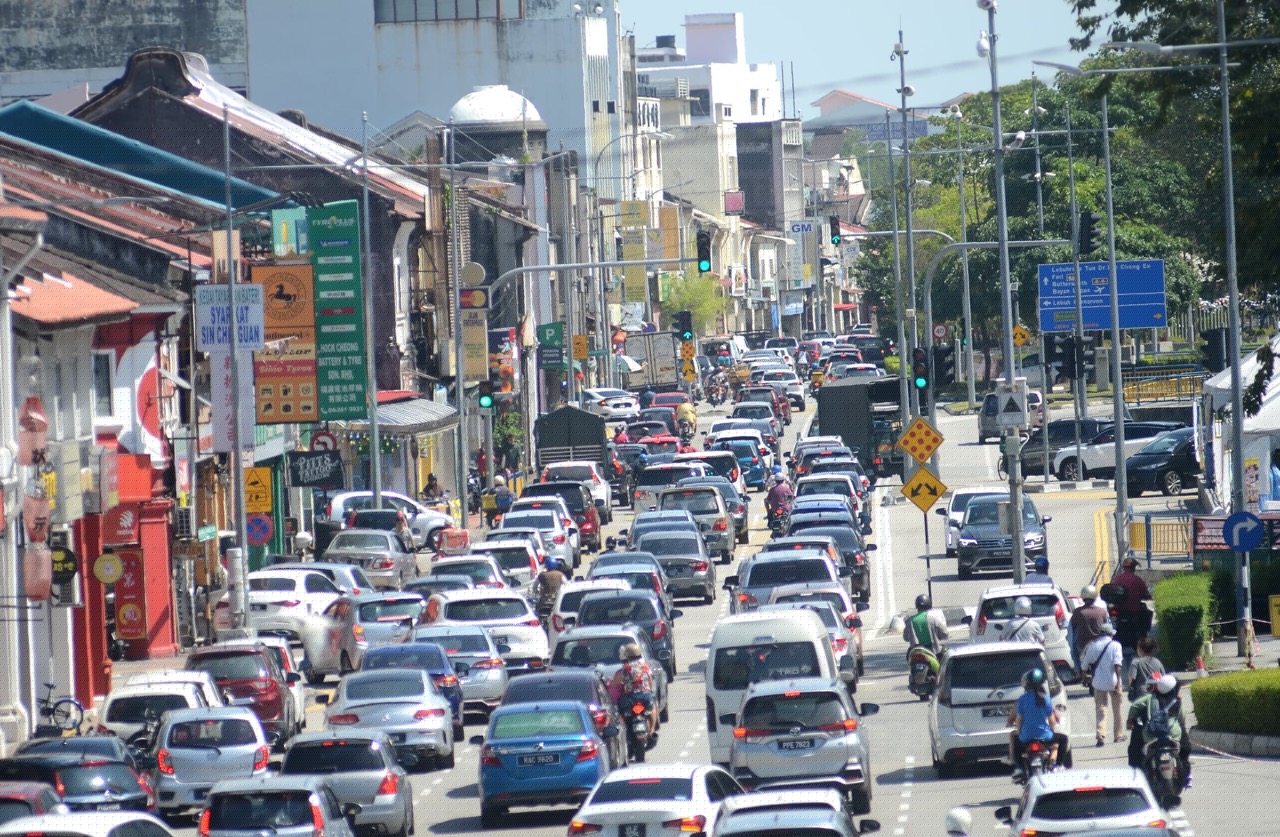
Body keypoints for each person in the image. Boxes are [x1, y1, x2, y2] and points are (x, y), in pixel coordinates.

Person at [1128, 674, 1192, 789]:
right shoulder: (1177, 701)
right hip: (1174, 735)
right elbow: (1181, 719)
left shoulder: (1149, 698)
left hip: (1151, 735)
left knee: (1137, 752)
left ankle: (1139, 776)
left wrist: (1130, 720)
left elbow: (1134, 706)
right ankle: (1187, 777)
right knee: (1185, 751)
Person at [1008, 668, 1059, 781]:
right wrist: (1052, 732)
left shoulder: (1022, 699)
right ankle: (1056, 765)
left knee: (1017, 747)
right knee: (1063, 740)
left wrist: (1019, 732)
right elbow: (1052, 721)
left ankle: (1020, 768)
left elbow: (1019, 720)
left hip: (1026, 736)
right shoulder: (1046, 699)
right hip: (1045, 736)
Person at [1081, 623, 1125, 746]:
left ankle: (1100, 734)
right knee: (1117, 710)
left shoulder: (1093, 646)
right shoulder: (1116, 645)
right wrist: (1118, 684)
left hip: (1098, 682)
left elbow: (1084, 665)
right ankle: (1118, 735)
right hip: (1114, 681)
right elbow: (1117, 665)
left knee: (1100, 710)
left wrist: (1085, 677)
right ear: (1111, 634)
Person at [610, 642, 659, 737]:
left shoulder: (626, 668)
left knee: (620, 710)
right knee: (652, 707)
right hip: (645, 696)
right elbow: (650, 681)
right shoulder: (645, 666)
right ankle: (652, 729)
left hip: (630, 698)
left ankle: (624, 732)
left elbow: (616, 682)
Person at [1109, 556, 1153, 651]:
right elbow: (1146, 594)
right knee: (1148, 614)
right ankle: (1143, 639)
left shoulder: (1117, 579)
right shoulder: (1137, 580)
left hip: (1119, 613)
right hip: (1134, 612)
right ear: (1133, 568)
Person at [1068, 584, 1109, 680]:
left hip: (1083, 647)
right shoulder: (1102, 611)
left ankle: (1078, 670)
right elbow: (1107, 627)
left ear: (1083, 597)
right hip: (1100, 645)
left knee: (1072, 642)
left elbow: (1072, 628)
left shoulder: (1078, 612)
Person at [1128, 637, 1166, 703]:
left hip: (1140, 696)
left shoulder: (1136, 662)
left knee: (1134, 712)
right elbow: (1163, 677)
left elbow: (1131, 679)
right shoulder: (1157, 662)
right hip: (1156, 694)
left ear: (1140, 650)